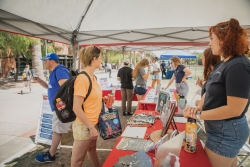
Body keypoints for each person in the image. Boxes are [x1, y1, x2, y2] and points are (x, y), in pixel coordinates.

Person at [184, 18, 250, 167]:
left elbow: (234, 109)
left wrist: (199, 115)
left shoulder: (238, 65)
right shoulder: (224, 63)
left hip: (227, 133)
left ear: (223, 40)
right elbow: (209, 90)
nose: (209, 43)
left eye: (212, 39)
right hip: (220, 130)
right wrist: (199, 107)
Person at [35, 53, 71, 163]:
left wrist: (62, 105)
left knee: (57, 130)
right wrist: (40, 81)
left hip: (61, 108)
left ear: (52, 61)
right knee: (69, 127)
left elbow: (66, 88)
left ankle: (51, 154)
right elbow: (51, 87)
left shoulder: (59, 70)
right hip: (61, 108)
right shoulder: (55, 72)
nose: (44, 63)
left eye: (45, 60)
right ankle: (80, 149)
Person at [71, 46, 102, 167]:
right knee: (78, 160)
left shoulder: (93, 77)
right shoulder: (83, 78)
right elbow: (76, 108)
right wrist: (91, 128)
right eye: (100, 58)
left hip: (91, 124)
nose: (101, 60)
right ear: (94, 59)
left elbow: (89, 98)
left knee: (92, 150)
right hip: (84, 126)